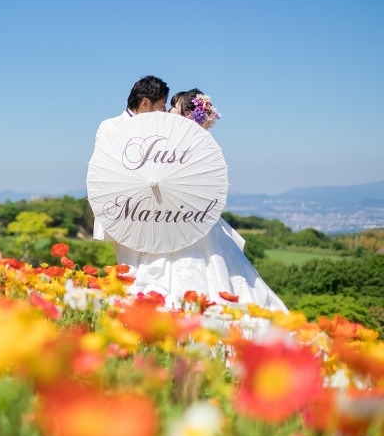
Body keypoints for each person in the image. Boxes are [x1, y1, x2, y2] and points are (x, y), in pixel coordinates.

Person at [96, 88, 288, 312]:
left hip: (174, 214)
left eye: (172, 107)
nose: (167, 112)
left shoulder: (176, 138)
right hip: (172, 211)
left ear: (185, 113)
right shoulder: (182, 137)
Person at [93, 76, 169, 240]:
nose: (164, 111)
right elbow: (106, 167)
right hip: (121, 207)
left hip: (152, 208)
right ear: (145, 103)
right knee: (127, 263)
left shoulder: (159, 129)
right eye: (162, 105)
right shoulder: (110, 126)